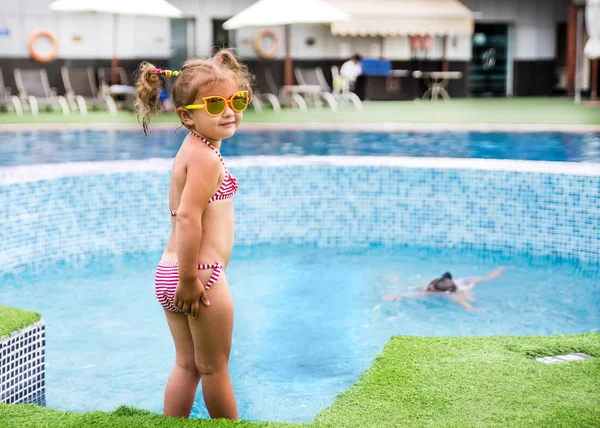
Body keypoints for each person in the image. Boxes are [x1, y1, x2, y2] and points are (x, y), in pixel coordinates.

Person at [135, 48, 253, 420]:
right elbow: (188, 219)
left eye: (237, 100)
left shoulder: (192, 149)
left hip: (170, 271)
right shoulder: (204, 158)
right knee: (215, 370)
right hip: (198, 275)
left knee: (186, 366)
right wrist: (189, 281)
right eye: (215, 105)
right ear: (187, 116)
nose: (230, 111)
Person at [381, 267, 504, 311]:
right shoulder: (449, 286)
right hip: (460, 282)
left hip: (465, 285)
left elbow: (459, 299)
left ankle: (500, 268)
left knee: (470, 292)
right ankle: (500, 268)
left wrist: (470, 307)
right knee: (488, 278)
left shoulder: (449, 293)